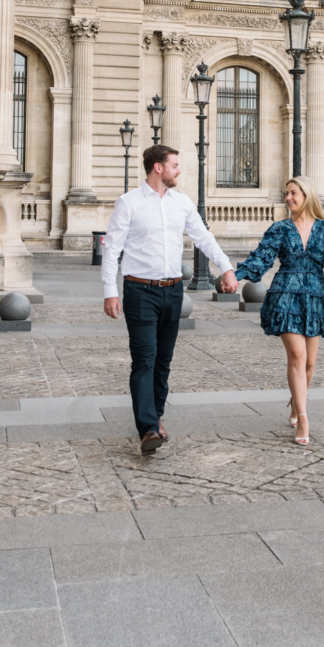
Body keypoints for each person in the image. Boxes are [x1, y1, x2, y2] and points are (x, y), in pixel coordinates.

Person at [102, 145, 237, 454]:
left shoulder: (183, 204)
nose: (179, 170)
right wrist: (110, 290)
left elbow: (204, 238)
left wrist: (226, 268)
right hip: (139, 291)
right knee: (144, 359)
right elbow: (112, 249)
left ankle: (156, 416)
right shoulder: (129, 203)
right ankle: (148, 428)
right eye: (174, 165)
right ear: (158, 168)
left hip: (173, 291)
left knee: (163, 361)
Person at [231, 176, 324, 446]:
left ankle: (294, 401)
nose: (288, 198)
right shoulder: (280, 228)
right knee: (298, 357)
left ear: (307, 195)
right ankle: (303, 415)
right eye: (286, 193)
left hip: (315, 298)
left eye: (293, 193)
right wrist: (237, 275)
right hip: (285, 295)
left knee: (310, 363)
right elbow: (261, 257)